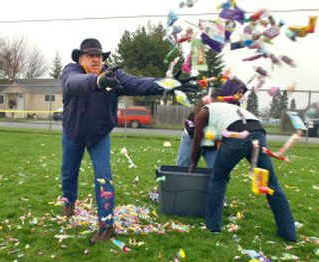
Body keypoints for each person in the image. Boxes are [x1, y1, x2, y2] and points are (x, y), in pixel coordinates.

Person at [61, 38, 169, 244]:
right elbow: (72, 84)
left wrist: (168, 85)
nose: (95, 60)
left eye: (99, 56)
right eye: (90, 56)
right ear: (80, 59)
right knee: (68, 173)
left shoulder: (113, 75)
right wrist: (97, 81)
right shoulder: (71, 71)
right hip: (73, 133)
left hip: (99, 135)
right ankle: (69, 202)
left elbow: (138, 84)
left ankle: (106, 225)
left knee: (104, 176)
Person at [189, 102, 297, 242]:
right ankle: (289, 234)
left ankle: (213, 227)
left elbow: (198, 140)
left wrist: (194, 162)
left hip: (237, 137)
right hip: (258, 133)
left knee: (218, 180)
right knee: (271, 184)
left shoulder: (203, 113)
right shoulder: (225, 108)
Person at [176, 78, 248, 168]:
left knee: (216, 170)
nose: (241, 95)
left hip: (212, 142)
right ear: (231, 90)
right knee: (183, 167)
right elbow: (199, 124)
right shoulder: (211, 101)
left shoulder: (235, 106)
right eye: (239, 92)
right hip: (193, 136)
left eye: (242, 93)